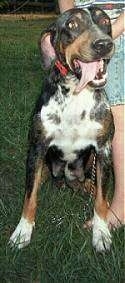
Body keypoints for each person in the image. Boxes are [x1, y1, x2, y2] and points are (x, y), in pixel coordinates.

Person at [41, 0, 125, 229]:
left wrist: (105, 38)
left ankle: (121, 205)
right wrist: (72, 30)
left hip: (117, 27)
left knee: (117, 114)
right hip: (87, 34)